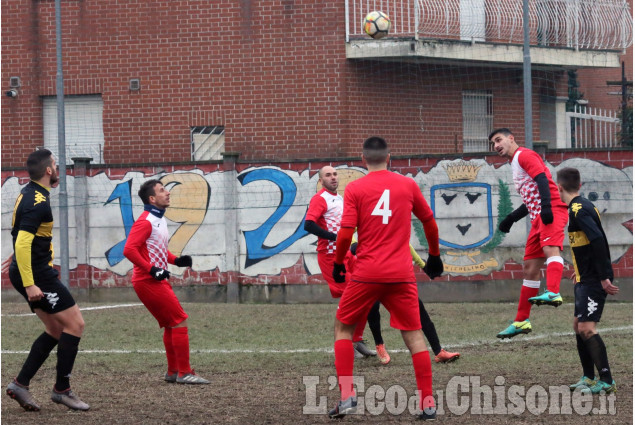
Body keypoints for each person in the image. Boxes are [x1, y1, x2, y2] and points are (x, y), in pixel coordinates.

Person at [328, 136, 444, 420]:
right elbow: (429, 221)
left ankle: (347, 397)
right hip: (401, 274)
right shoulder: (407, 184)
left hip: (367, 273)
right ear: (389, 157)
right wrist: (434, 255)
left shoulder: (355, 188)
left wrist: (339, 261)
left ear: (363, 158)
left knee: (343, 328)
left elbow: (345, 232)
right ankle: (427, 403)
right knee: (414, 336)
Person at [6, 149, 89, 411]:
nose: (58, 168)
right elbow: (22, 241)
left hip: (30, 269)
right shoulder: (38, 200)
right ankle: (62, 390)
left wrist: (23, 266)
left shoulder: (30, 192)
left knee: (55, 329)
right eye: (55, 164)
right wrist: (30, 282)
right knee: (75, 324)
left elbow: (25, 236)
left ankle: (20, 384)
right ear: (49, 171)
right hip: (36, 274)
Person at [123, 179, 210, 385]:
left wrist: (176, 260)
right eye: (162, 191)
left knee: (172, 324)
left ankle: (173, 372)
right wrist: (152, 270)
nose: (168, 193)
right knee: (180, 320)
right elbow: (129, 250)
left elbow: (156, 250)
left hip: (153, 279)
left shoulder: (158, 219)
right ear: (152, 199)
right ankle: (185, 372)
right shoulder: (146, 221)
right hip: (147, 281)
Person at [304, 166, 388, 364]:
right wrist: (335, 237)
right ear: (321, 180)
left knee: (369, 297)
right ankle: (346, 344)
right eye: (328, 175)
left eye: (334, 174)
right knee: (355, 298)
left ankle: (356, 340)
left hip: (348, 255)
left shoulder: (340, 199)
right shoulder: (320, 198)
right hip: (330, 257)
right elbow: (308, 224)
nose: (333, 178)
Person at [489, 128, 568, 339]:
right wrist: (512, 217)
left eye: (498, 140)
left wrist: (548, 207)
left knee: (550, 249)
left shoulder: (524, 154)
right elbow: (530, 196)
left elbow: (542, 180)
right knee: (530, 268)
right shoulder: (515, 163)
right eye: (493, 144)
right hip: (537, 217)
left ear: (511, 138)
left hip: (549, 210)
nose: (496, 145)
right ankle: (521, 321)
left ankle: (553, 291)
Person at [556, 167, 619, 394]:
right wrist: (579, 268)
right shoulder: (582, 206)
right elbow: (587, 243)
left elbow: (598, 240)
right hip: (586, 276)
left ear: (559, 187)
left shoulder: (578, 210)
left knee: (587, 328)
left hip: (594, 279)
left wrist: (603, 277)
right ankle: (588, 377)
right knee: (578, 326)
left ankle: (607, 380)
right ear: (579, 185)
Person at [410, 247, 461, 363]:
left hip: (392, 279)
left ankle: (438, 352)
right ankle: (372, 342)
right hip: (369, 277)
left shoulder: (395, 232)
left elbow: (405, 244)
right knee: (368, 310)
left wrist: (423, 265)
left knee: (420, 312)